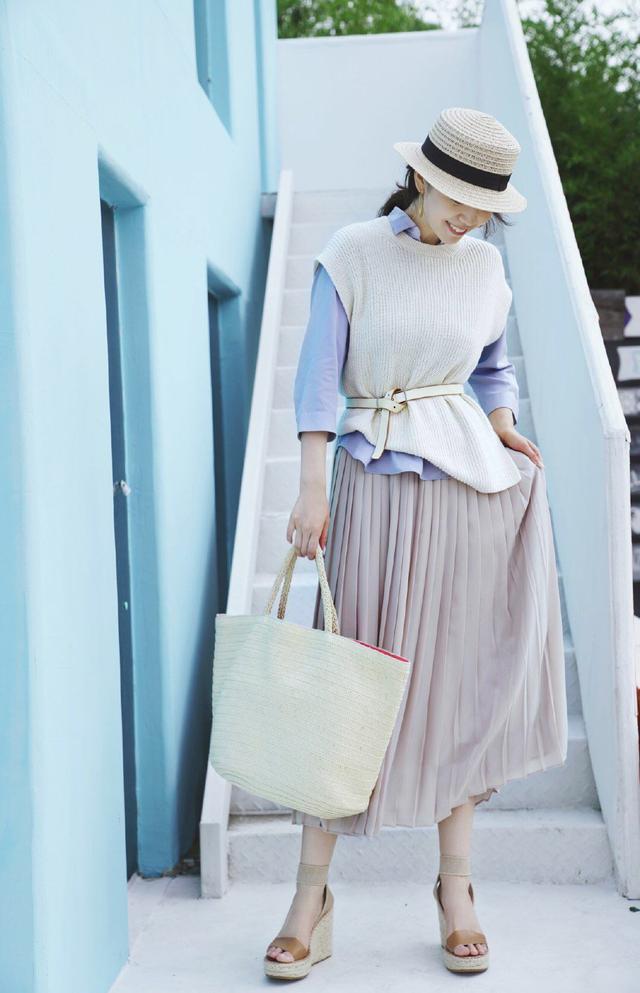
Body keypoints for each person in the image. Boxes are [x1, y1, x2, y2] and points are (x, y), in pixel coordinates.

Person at [264, 107, 568, 979]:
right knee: (344, 693)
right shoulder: (354, 253)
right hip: (372, 480)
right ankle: (310, 899)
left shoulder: (486, 270)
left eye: (485, 204)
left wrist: (503, 426)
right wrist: (312, 486)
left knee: (459, 690)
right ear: (423, 177)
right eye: (458, 195)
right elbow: (318, 378)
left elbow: (492, 368)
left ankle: (457, 887)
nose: (470, 216)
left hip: (468, 488)